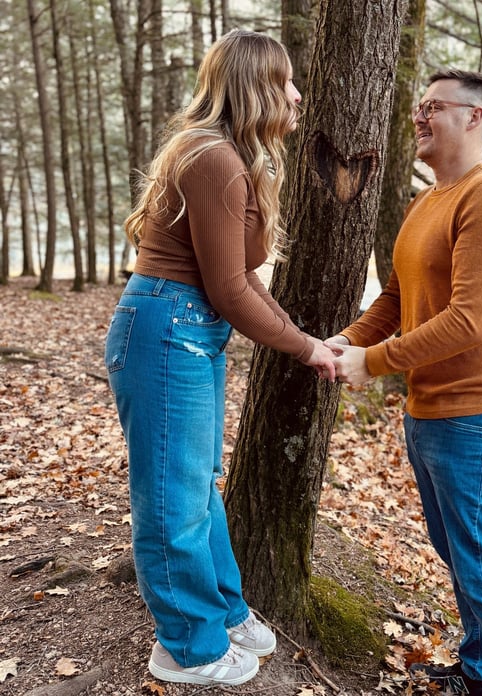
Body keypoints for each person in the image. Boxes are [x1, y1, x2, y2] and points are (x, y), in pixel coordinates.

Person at [104, 29, 336, 687]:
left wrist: (301, 337)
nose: (297, 93)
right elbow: (230, 290)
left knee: (198, 487)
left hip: (187, 330)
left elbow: (240, 277)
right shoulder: (212, 158)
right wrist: (303, 347)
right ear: (255, 87)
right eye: (285, 81)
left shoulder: (229, 156)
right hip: (165, 330)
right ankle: (186, 648)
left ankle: (225, 613)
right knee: (172, 501)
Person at [328, 69, 482, 696]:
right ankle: (481, 672)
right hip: (431, 411)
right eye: (418, 107)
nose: (418, 117)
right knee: (459, 556)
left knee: (480, 568)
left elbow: (470, 321)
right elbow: (397, 298)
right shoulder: (428, 201)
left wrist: (374, 362)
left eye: (433, 107)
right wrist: (350, 340)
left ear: (474, 117)